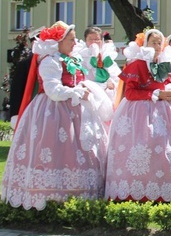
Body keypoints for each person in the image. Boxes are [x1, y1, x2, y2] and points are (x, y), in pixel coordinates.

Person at [2, 22, 110, 210]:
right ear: (58, 41)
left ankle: (79, 196)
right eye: (70, 40)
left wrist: (86, 89)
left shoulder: (73, 59)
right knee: (56, 150)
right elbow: (53, 90)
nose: (74, 43)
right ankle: (49, 197)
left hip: (77, 111)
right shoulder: (50, 60)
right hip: (52, 112)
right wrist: (76, 92)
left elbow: (79, 81)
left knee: (81, 150)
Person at [106, 29, 171, 203]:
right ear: (145, 45)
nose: (158, 46)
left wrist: (170, 94)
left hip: (164, 113)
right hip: (139, 114)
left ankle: (165, 193)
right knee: (142, 149)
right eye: (154, 42)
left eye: (160, 43)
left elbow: (169, 86)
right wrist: (156, 95)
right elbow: (129, 93)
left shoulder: (164, 65)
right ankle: (136, 193)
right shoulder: (137, 65)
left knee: (166, 150)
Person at [80, 26, 121, 103]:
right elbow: (83, 80)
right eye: (90, 39)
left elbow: (117, 77)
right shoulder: (82, 58)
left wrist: (112, 83)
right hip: (91, 97)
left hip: (109, 97)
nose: (93, 42)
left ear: (102, 41)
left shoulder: (107, 56)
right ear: (85, 41)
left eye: (96, 39)